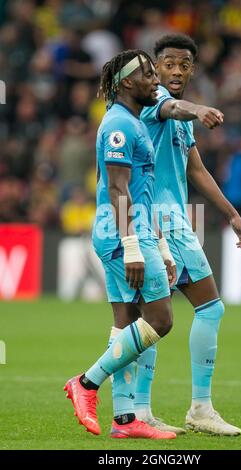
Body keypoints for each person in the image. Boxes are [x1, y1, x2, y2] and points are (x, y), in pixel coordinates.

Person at [109, 34, 241, 436]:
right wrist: (200, 108)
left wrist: (233, 216)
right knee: (210, 308)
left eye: (183, 64)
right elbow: (175, 106)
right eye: (167, 64)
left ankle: (139, 410)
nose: (175, 71)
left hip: (171, 220)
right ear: (154, 70)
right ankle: (201, 407)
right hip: (163, 220)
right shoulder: (155, 104)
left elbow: (197, 171)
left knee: (151, 318)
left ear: (192, 69)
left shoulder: (178, 121)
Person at [64, 49, 178, 440]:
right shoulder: (118, 125)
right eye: (148, 74)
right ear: (126, 82)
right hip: (122, 233)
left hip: (135, 230)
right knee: (160, 320)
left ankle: (126, 421)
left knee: (127, 322)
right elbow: (117, 188)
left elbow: (144, 192)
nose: (156, 80)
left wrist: (160, 247)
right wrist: (132, 245)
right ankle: (86, 383)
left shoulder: (134, 123)